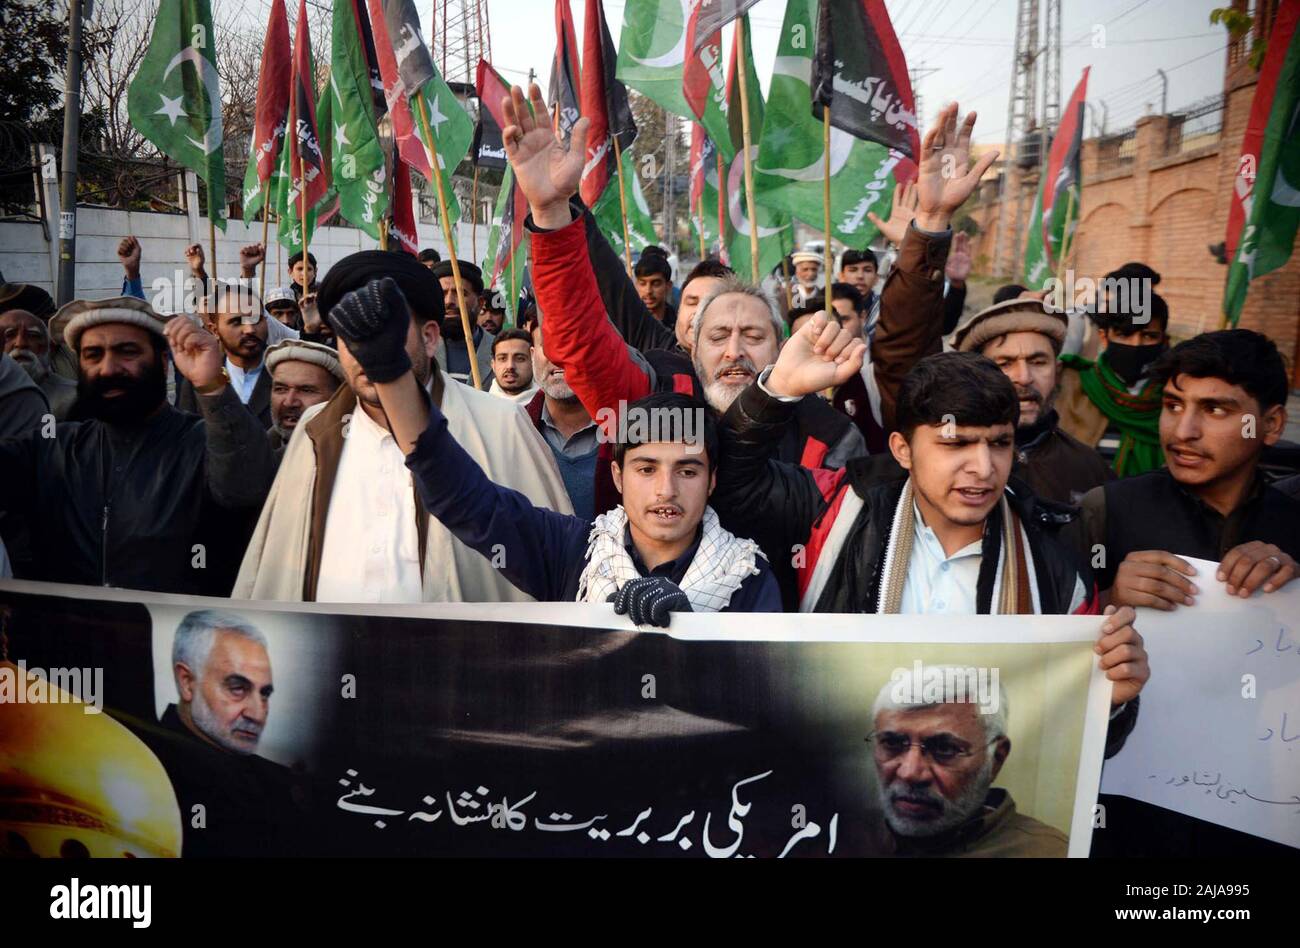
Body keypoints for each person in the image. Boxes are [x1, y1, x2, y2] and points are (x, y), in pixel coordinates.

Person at [711, 317, 1147, 742]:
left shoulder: (1055, 557)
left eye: (999, 443)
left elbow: (1072, 746)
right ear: (902, 449)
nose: (983, 468)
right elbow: (724, 486)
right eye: (955, 444)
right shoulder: (837, 506)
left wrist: (1113, 702)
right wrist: (777, 390)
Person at [323, 277, 780, 624]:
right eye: (645, 468)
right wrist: (392, 376)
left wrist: (692, 635)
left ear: (712, 479)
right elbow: (459, 496)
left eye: (687, 470)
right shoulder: (571, 552)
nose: (666, 490)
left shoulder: (747, 576)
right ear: (617, 477)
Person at [502, 83, 870, 487]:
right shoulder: (658, 394)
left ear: (781, 347)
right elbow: (580, 344)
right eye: (717, 336)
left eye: (752, 335)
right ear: (692, 348)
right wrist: (552, 212)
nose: (734, 352)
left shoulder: (828, 435)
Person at [233, 250, 572, 603]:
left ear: (429, 338)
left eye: (383, 330)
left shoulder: (501, 426)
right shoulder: (315, 431)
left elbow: (556, 574)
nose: (364, 351)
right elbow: (268, 573)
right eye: (351, 335)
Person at [0, 297, 277, 595]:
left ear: (163, 361)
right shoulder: (54, 448)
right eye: (93, 355)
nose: (108, 369)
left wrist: (213, 386)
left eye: (127, 352)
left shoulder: (204, 442)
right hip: (68, 634)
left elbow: (247, 488)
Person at [129, 608, 309, 857]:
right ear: (187, 682)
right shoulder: (139, 774)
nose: (257, 714)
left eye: (264, 693)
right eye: (237, 688)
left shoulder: (283, 783)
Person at [869, 672, 1067, 857]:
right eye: (892, 743)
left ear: (996, 758)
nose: (910, 772)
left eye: (945, 749)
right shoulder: (847, 836)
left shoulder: (1050, 852)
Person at [953, 297, 1113, 504]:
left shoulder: (1089, 468)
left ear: (1057, 372)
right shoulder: (950, 462)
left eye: (1038, 362)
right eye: (1005, 364)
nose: (1025, 377)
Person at [1056, 271, 1169, 477]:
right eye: (1124, 335)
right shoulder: (1071, 382)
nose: (1136, 345)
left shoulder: (1174, 396)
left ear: (1164, 341)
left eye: (1149, 336)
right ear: (1104, 337)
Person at [520, 309, 601, 522]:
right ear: (531, 355)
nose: (557, 357)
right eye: (547, 346)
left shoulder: (629, 429)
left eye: (569, 344)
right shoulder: (514, 430)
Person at [176, 283, 272, 428]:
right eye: (237, 322)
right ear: (215, 330)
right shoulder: (200, 380)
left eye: (256, 319)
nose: (250, 329)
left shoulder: (286, 374)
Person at [265, 338, 344, 454]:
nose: (289, 402)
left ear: (336, 398)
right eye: (281, 389)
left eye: (306, 390)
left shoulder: (351, 455)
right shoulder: (255, 452)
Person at [0, 307, 77, 419]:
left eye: (33, 336)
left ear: (51, 348)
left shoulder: (75, 399)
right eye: (9, 335)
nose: (21, 343)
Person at [431, 258, 493, 389]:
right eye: (442, 294)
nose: (449, 301)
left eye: (459, 293)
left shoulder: (498, 350)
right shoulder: (421, 350)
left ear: (480, 303)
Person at [488, 327, 538, 403]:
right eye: (502, 358)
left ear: (533, 362)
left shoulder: (547, 408)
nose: (510, 366)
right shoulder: (482, 406)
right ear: (493, 365)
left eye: (520, 359)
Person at [837, 249, 880, 336]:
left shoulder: (885, 308)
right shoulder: (829, 306)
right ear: (841, 276)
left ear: (876, 278)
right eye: (853, 270)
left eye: (867, 270)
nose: (860, 276)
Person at [634, 246, 676, 330]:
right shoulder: (626, 323)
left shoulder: (679, 323)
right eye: (643, 283)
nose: (648, 291)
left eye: (656, 284)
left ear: (668, 286)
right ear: (636, 285)